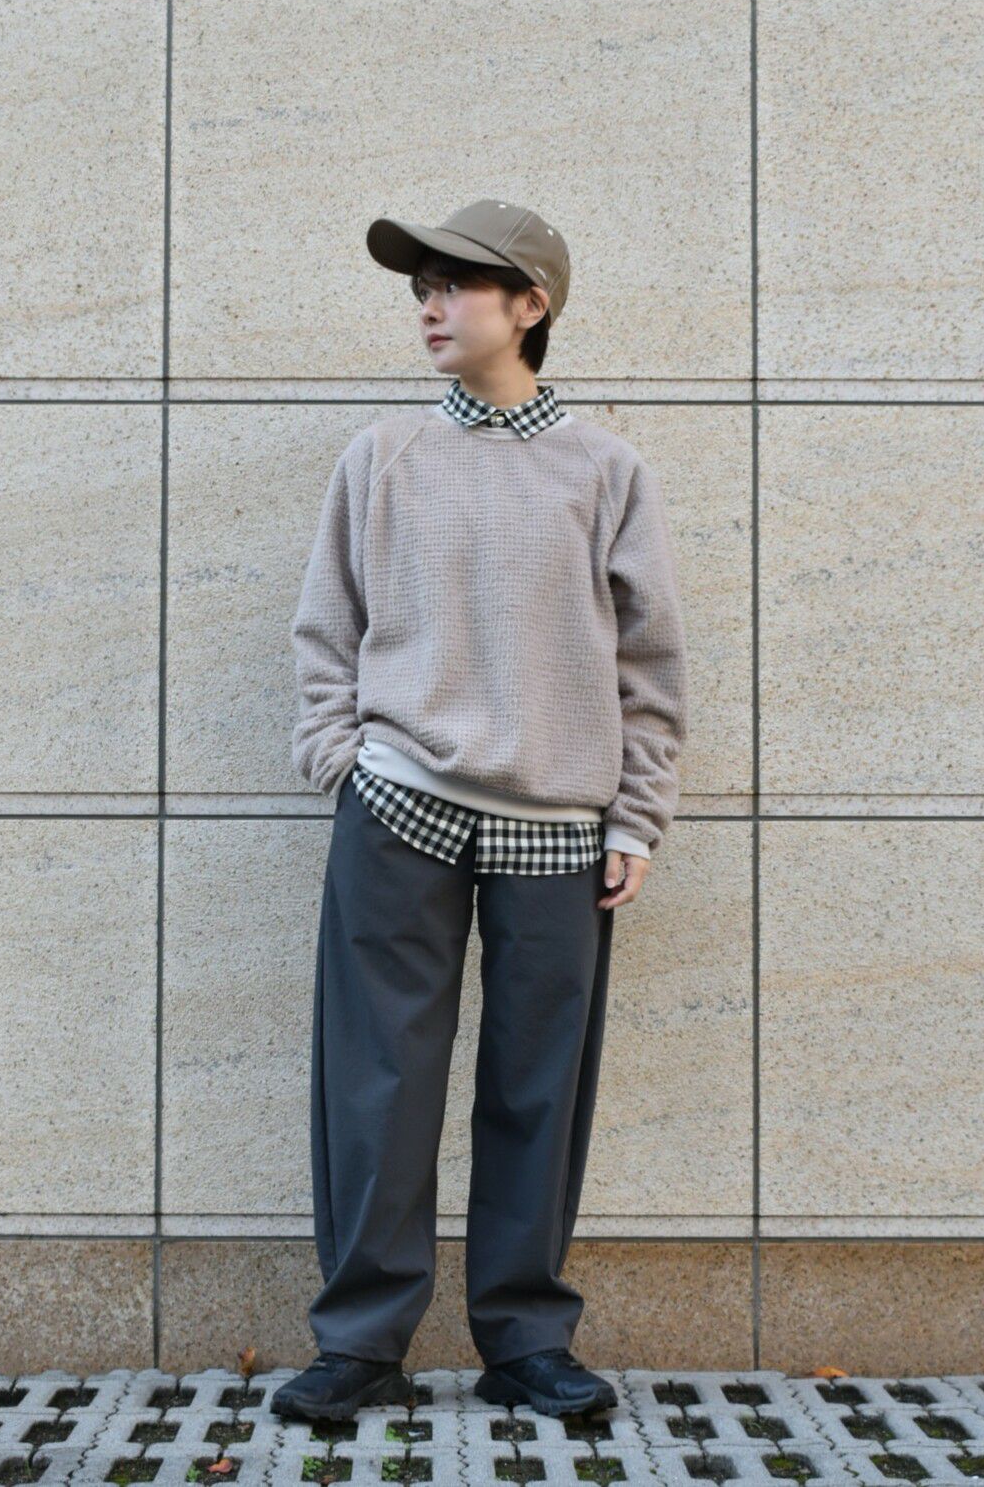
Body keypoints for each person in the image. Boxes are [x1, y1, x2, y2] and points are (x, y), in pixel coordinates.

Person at [272, 200, 689, 1423]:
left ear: (531, 305)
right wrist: (342, 760)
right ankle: (360, 1342)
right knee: (376, 1082)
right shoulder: (383, 456)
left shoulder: (605, 469)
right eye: (424, 288)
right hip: (399, 806)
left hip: (559, 824)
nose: (430, 307)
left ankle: (526, 1342)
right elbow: (326, 628)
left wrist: (636, 817)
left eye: (456, 285)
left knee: (536, 1084)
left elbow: (651, 662)